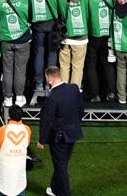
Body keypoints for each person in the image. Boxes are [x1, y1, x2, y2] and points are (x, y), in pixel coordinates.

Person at [36, 66, 82, 196]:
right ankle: (55, 188)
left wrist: (41, 140)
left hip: (59, 138)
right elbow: (80, 110)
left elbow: (47, 121)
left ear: (50, 79)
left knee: (61, 166)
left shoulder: (52, 97)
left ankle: (64, 193)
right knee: (62, 163)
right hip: (73, 134)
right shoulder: (74, 88)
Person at [0, 104, 31, 196]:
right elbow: (26, 144)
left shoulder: (3, 129)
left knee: (3, 188)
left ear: (10, 115)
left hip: (5, 173)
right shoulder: (27, 129)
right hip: (19, 173)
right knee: (19, 187)